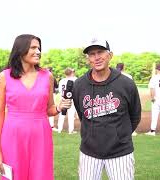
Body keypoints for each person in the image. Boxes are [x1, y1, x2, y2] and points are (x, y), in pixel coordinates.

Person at [0, 34, 72, 180]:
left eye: (39, 48)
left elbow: (49, 109)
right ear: (21, 50)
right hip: (13, 136)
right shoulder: (4, 77)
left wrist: (59, 107)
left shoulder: (47, 76)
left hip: (41, 136)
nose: (38, 51)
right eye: (33, 47)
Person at [73, 38, 141, 180]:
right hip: (89, 153)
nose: (96, 57)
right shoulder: (79, 85)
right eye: (92, 54)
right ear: (87, 59)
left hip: (120, 153)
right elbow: (82, 115)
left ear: (110, 55)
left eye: (100, 52)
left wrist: (120, 136)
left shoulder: (126, 84)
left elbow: (135, 116)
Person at [116, 63, 138, 137]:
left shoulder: (111, 75)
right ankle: (132, 131)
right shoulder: (128, 76)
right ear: (123, 68)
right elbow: (133, 88)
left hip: (114, 98)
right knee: (129, 114)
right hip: (126, 97)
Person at [57, 67, 77, 134]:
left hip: (63, 99)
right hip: (71, 100)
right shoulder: (75, 79)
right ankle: (70, 130)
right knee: (71, 115)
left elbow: (60, 91)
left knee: (61, 115)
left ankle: (59, 129)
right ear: (71, 72)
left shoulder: (61, 80)